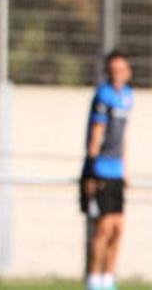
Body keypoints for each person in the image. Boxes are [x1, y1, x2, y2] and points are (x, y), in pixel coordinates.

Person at [81, 50, 133, 290]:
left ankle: (108, 279)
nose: (117, 74)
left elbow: (123, 137)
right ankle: (93, 280)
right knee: (102, 228)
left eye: (121, 70)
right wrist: (90, 172)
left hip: (116, 170)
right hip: (101, 168)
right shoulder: (103, 95)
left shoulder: (128, 96)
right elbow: (96, 134)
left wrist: (125, 168)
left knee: (118, 228)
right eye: (113, 70)